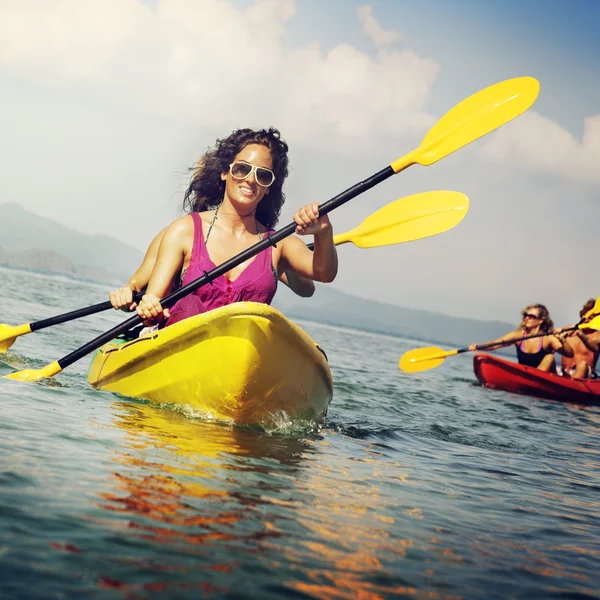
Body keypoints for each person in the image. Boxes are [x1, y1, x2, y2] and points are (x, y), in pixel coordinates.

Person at [125, 127, 337, 329]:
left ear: (269, 187)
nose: (251, 180)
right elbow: (151, 309)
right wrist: (150, 309)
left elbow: (323, 273)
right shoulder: (184, 231)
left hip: (241, 353)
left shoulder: (280, 244)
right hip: (180, 347)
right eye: (242, 169)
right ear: (225, 172)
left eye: (263, 175)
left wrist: (324, 233)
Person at [468, 303, 573, 372]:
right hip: (527, 376)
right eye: (526, 315)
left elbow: (569, 354)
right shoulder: (518, 336)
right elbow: (495, 344)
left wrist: (562, 340)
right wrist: (479, 346)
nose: (527, 318)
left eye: (531, 316)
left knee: (549, 357)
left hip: (547, 378)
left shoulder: (548, 338)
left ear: (541, 321)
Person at [557, 299, 600, 379]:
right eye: (585, 316)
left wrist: (580, 334)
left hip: (586, 375)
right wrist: (558, 337)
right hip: (564, 372)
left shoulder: (597, 336)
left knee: (582, 364)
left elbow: (594, 346)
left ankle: (571, 386)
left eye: (591, 318)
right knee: (549, 358)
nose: (586, 320)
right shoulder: (568, 328)